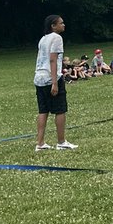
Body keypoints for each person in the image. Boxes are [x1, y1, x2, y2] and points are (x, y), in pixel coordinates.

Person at [34, 14, 78, 152]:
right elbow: (53, 60)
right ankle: (61, 142)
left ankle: (40, 143)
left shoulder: (43, 39)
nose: (63, 25)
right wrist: (54, 83)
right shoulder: (57, 38)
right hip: (51, 77)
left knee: (43, 110)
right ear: (53, 26)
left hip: (39, 77)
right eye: (61, 23)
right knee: (60, 109)